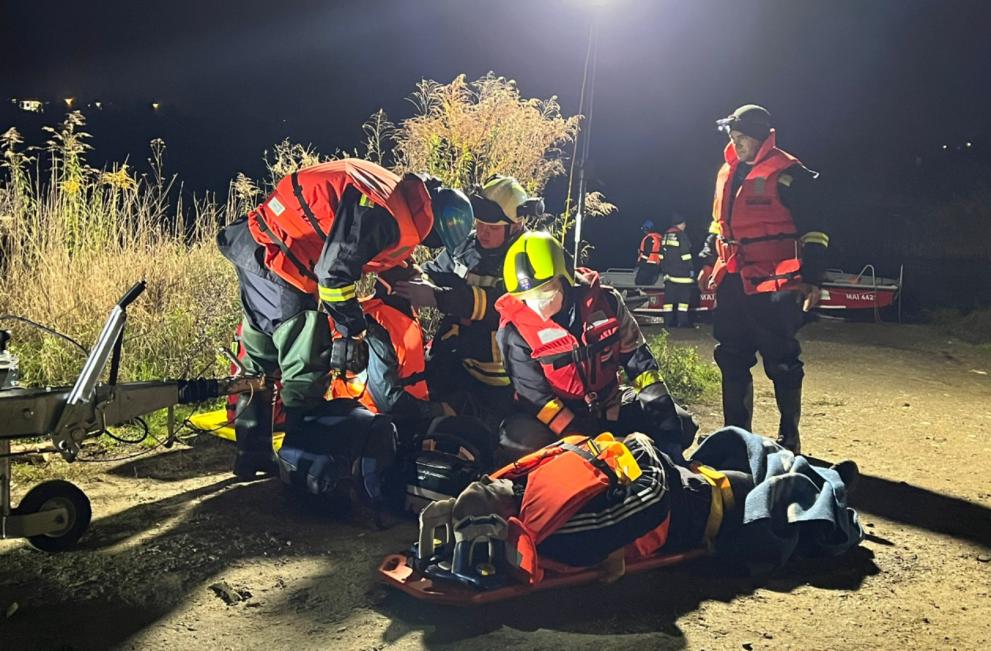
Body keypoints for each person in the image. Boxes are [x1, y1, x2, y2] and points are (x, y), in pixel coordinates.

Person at [216, 158, 473, 478]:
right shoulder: (386, 215)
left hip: (259, 242)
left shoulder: (395, 195)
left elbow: (356, 242)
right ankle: (299, 464)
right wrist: (353, 330)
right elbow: (333, 275)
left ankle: (252, 453)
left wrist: (404, 272)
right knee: (306, 362)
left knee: (260, 357)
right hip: (280, 259)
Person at [494, 231, 697, 464]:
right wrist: (586, 443)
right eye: (527, 298)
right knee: (520, 443)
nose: (537, 306)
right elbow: (538, 399)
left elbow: (641, 367)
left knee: (682, 424)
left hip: (609, 404)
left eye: (545, 292)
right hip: (557, 420)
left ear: (565, 276)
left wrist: (667, 429)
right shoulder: (514, 330)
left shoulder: (608, 302)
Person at [697, 105, 829, 454]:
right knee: (731, 355)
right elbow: (717, 225)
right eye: (733, 138)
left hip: (777, 287)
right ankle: (736, 436)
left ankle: (790, 437)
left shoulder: (789, 173)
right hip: (734, 282)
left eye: (741, 137)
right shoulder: (728, 173)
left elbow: (816, 228)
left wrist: (813, 278)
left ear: (759, 137)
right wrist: (706, 260)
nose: (736, 144)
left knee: (782, 361)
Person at [394, 176, 544, 428]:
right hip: (460, 360)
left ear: (516, 224)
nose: (482, 232)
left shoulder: (527, 256)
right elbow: (434, 271)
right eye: (480, 223)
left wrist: (437, 297)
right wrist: (406, 272)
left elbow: (505, 306)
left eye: (492, 227)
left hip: (502, 379)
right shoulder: (467, 246)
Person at [659, 213, 695, 328]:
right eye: (684, 224)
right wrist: (691, 269)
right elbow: (686, 255)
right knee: (684, 301)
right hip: (682, 275)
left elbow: (661, 256)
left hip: (669, 275)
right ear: (681, 224)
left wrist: (664, 271)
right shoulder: (681, 235)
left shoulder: (665, 236)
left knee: (668, 301)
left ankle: (668, 323)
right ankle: (682, 322)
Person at [634, 219, 663, 286]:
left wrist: (641, 263)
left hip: (647, 265)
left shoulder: (649, 238)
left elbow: (646, 253)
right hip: (657, 266)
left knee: (639, 282)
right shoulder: (659, 238)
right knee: (650, 283)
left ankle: (641, 294)